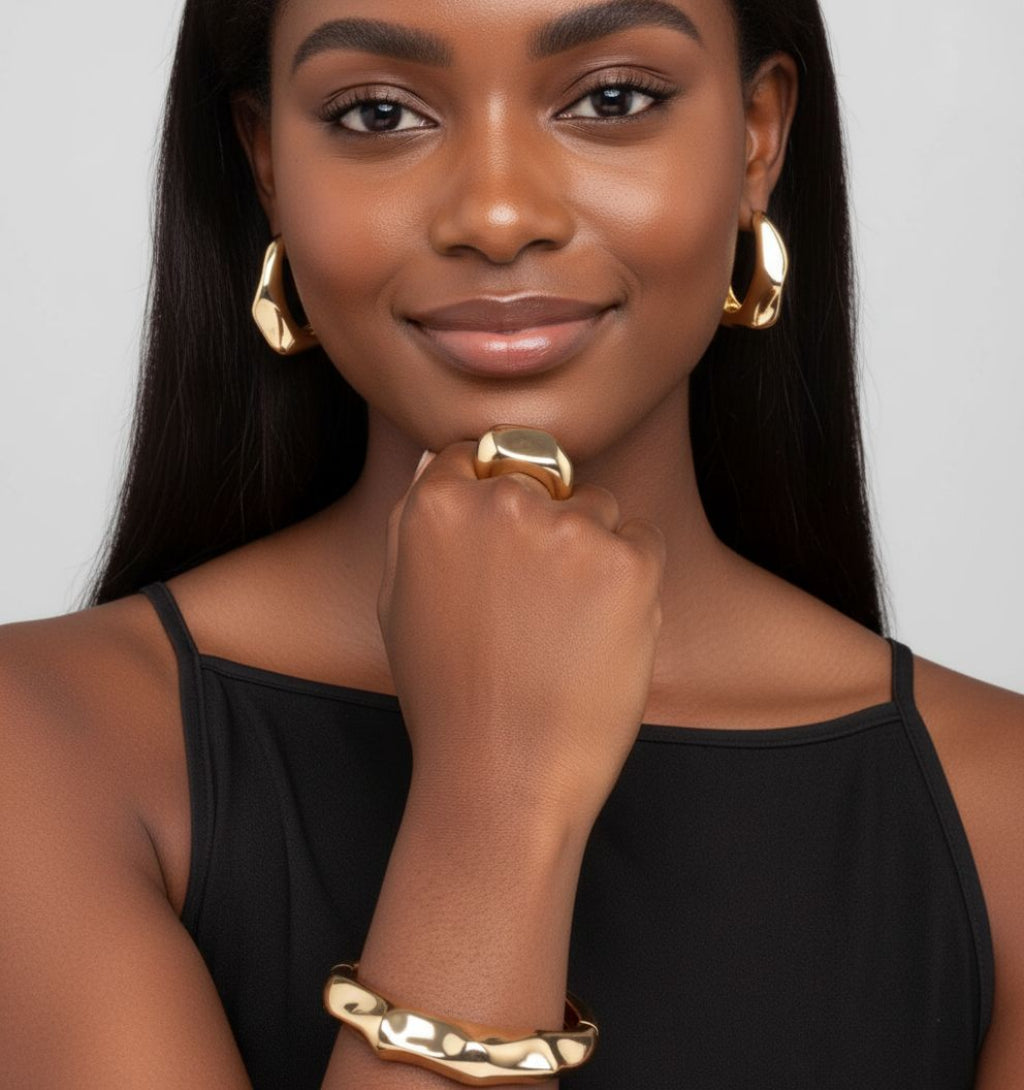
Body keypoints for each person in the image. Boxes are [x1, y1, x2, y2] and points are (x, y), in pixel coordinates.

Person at [1, 0, 1021, 1086]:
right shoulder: (44, 750)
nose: (495, 214)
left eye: (612, 99)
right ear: (267, 168)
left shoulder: (1001, 816)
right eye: (378, 112)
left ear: (757, 137)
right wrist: (491, 806)